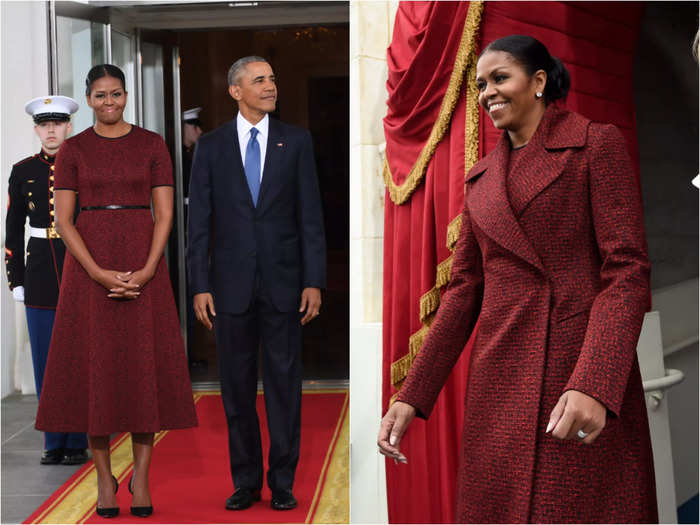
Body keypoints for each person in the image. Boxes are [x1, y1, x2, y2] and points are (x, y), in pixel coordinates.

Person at [378, 35, 657, 523]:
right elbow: (463, 292)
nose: (487, 93)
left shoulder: (594, 144)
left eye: (500, 78)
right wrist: (411, 396)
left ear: (540, 81)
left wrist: (595, 382)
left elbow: (627, 271)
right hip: (499, 383)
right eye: (481, 84)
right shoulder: (481, 178)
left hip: (577, 374)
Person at [35, 64, 198, 519]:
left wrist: (147, 270)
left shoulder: (151, 144)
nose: (109, 103)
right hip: (89, 270)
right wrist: (100, 273)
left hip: (143, 262)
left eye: (117, 94)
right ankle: (105, 477)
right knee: (96, 374)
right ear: (88, 99)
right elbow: (64, 221)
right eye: (101, 96)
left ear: (126, 96)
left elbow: (164, 214)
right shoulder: (73, 149)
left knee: (144, 371)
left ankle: (141, 478)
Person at [188, 56, 326, 511]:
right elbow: (199, 223)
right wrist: (199, 284)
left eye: (273, 78)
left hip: (285, 285)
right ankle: (245, 481)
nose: (271, 86)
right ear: (236, 91)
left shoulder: (297, 141)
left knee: (285, 386)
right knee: (236, 388)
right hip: (228, 288)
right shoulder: (210, 146)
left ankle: (282, 481)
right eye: (260, 80)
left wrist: (314, 280)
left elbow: (311, 216)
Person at [4, 95, 89, 466]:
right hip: (39, 269)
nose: (51, 130)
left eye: (58, 123)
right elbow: (12, 229)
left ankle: (79, 439)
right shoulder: (23, 170)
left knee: (79, 355)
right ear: (36, 129)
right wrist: (15, 279)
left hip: (79, 265)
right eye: (44, 124)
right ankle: (53, 440)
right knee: (45, 359)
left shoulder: (86, 166)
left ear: (69, 126)